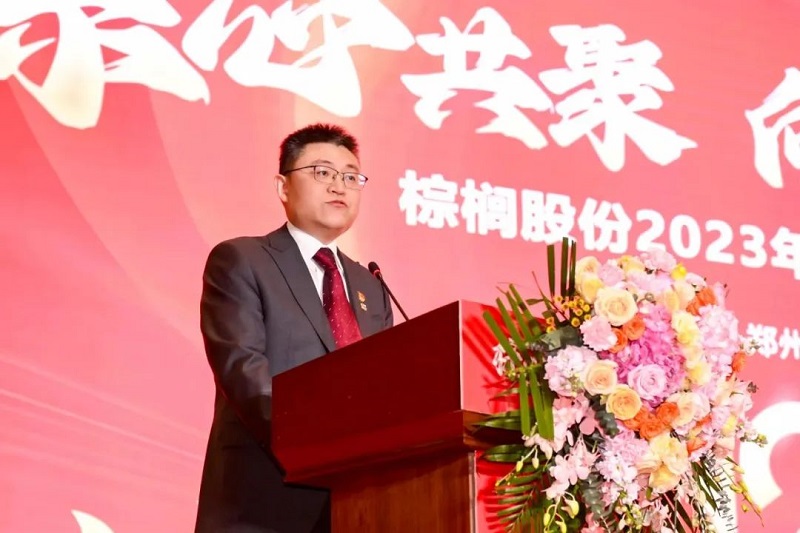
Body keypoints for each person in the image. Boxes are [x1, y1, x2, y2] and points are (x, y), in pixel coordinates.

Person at [194, 123, 394, 532]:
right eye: (322, 172)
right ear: (283, 187)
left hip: (358, 506)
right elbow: (244, 373)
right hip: (263, 504)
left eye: (351, 177)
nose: (339, 186)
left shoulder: (371, 286)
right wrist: (327, 449)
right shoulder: (243, 260)